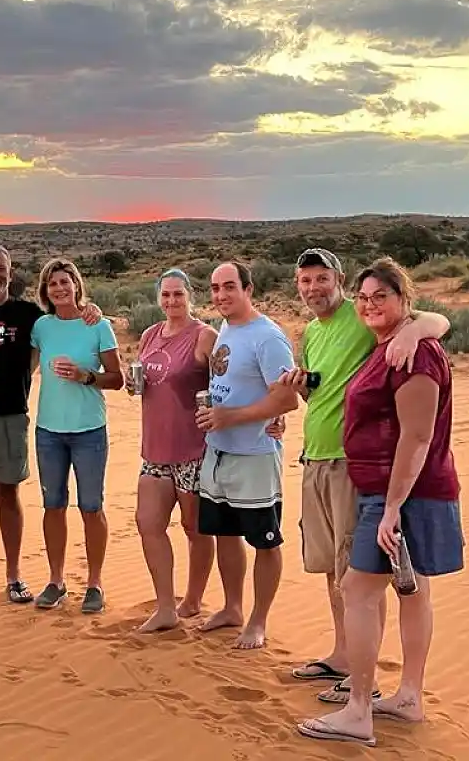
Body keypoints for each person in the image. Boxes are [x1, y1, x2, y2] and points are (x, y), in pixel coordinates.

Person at [297, 258, 464, 748]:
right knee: (412, 591)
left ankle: (358, 710)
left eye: (381, 297)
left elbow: (416, 436)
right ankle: (408, 697)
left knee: (358, 590)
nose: (370, 305)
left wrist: (391, 509)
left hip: (402, 493)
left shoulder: (415, 354)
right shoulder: (388, 345)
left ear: (403, 300)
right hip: (395, 491)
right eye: (365, 298)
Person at [0, 245, 101, 607]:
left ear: (11, 274)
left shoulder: (29, 316)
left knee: (8, 495)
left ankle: (13, 576)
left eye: (0, 269)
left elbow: (65, 320)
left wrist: (91, 309)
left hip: (11, 416)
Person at [194, 260, 300, 649]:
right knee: (225, 533)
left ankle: (258, 621)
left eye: (229, 287)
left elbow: (287, 399)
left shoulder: (267, 338)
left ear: (248, 289)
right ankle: (232, 607)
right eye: (215, 288)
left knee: (264, 540)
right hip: (219, 451)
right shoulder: (226, 328)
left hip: (255, 455)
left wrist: (231, 417)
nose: (221, 295)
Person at [30, 257, 124, 614]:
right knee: (52, 505)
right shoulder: (42, 326)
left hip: (89, 431)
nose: (59, 288)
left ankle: (94, 583)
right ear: (46, 291)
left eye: (64, 282)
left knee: (91, 506)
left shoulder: (97, 325)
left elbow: (117, 378)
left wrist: (86, 376)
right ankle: (56, 581)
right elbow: (24, 367)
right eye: (52, 283)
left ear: (76, 285)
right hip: (49, 431)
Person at [127, 267, 217, 633]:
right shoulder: (150, 334)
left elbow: (228, 385)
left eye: (178, 294)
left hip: (193, 448)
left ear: (190, 295)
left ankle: (193, 599)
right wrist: (134, 383)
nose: (171, 300)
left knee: (195, 527)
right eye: (165, 294)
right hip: (154, 448)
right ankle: (165, 606)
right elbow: (145, 380)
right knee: (148, 523)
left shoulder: (205, 336)